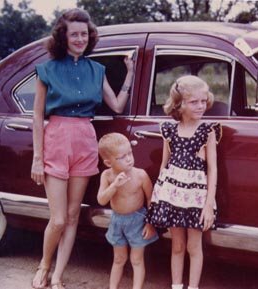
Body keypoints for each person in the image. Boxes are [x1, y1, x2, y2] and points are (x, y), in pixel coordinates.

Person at [30, 8, 134, 289]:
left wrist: (129, 73)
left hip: (85, 140)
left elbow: (116, 105)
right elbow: (38, 117)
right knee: (59, 218)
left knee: (74, 216)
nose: (80, 39)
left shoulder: (96, 70)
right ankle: (44, 265)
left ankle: (59, 275)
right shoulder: (47, 70)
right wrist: (37, 158)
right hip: (56, 139)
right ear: (62, 37)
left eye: (84, 34)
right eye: (74, 34)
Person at [146, 75, 222, 289]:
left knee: (193, 246)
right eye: (194, 101)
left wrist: (209, 205)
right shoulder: (169, 130)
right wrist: (157, 199)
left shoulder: (207, 131)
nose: (201, 106)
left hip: (196, 198)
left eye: (203, 100)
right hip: (172, 197)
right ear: (180, 104)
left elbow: (212, 169)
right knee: (177, 245)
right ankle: (176, 285)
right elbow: (164, 166)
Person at [97, 133, 158, 289]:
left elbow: (151, 200)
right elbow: (102, 200)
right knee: (118, 259)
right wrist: (114, 186)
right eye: (122, 157)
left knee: (137, 259)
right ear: (108, 162)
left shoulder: (140, 175)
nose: (129, 158)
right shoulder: (107, 176)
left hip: (137, 220)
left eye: (130, 153)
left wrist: (150, 224)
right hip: (117, 221)